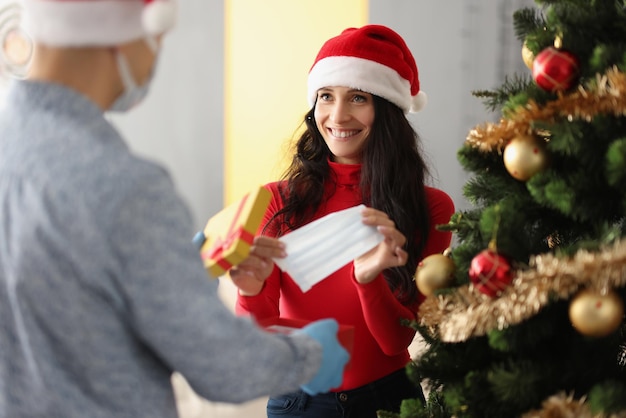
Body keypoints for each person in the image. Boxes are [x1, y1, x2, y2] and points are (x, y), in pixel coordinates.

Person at [0, 1, 350, 417]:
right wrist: (309, 354)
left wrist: (169, 270)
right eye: (157, 43)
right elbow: (222, 367)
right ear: (125, 40)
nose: (154, 60)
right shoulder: (127, 188)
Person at [230, 24, 455, 417]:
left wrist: (367, 281)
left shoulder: (430, 208)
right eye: (325, 96)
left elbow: (395, 340)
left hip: (390, 399)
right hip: (299, 402)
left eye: (357, 98)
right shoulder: (277, 201)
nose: (337, 115)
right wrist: (249, 291)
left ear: (385, 108)